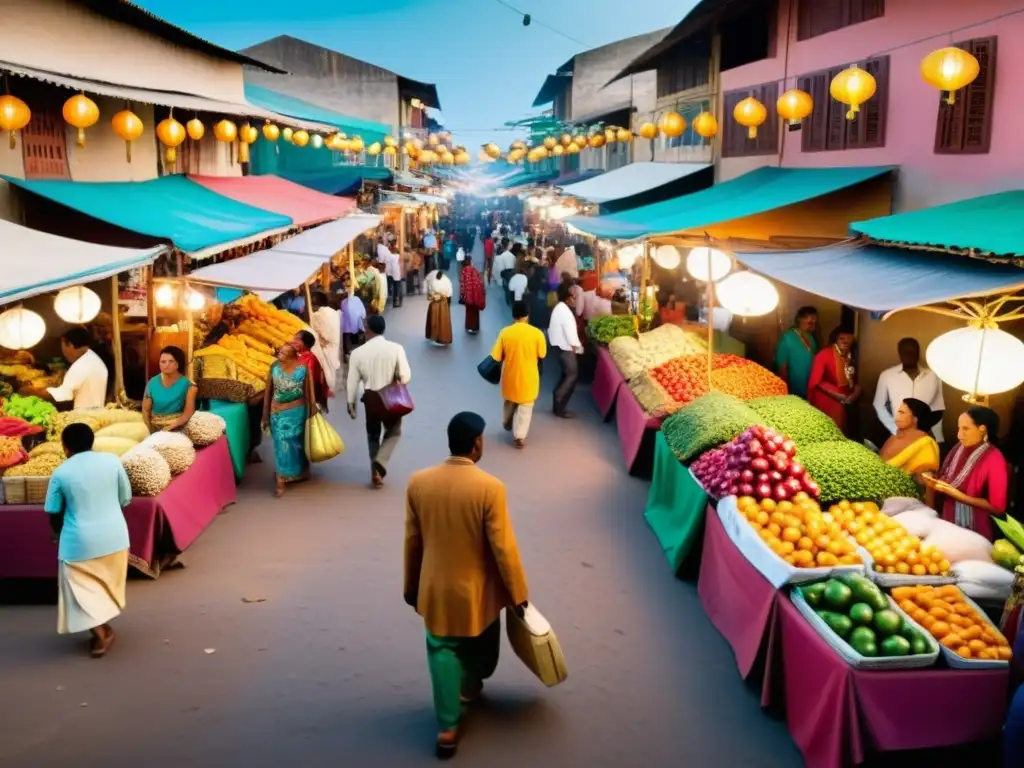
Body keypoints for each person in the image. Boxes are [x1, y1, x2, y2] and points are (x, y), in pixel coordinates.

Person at [404, 411, 530, 758]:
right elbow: (503, 548)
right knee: (483, 644)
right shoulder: (490, 488)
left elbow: (413, 541)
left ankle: (447, 728)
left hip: (436, 587)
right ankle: (472, 685)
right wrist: (518, 595)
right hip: (480, 592)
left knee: (442, 648)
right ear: (477, 443)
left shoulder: (419, 483)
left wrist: (411, 586)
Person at [45, 423, 132, 658]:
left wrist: (57, 533)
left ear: (65, 447)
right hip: (116, 537)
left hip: (79, 543)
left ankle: (102, 635)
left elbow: (53, 512)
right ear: (92, 441)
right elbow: (125, 498)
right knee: (105, 585)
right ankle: (104, 628)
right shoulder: (113, 461)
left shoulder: (61, 473)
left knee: (78, 591)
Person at [923, 406, 1008, 541]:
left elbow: (997, 508)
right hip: (946, 523)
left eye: (965, 429)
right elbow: (941, 482)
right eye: (959, 428)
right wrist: (930, 484)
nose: (959, 435)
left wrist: (958, 495)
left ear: (982, 430)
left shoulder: (995, 458)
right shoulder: (958, 448)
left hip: (975, 533)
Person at [347, 315, 412, 488]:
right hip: (391, 399)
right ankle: (381, 462)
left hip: (371, 399)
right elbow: (405, 376)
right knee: (394, 431)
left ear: (368, 330)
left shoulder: (357, 353)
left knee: (373, 435)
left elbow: (352, 381)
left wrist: (350, 403)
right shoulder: (396, 348)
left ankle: (375, 471)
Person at [491, 301, 547, 449]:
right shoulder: (537, 333)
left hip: (510, 375)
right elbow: (542, 353)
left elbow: (496, 356)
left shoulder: (505, 332)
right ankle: (519, 436)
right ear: (527, 315)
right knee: (526, 407)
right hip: (529, 377)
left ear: (513, 315)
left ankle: (507, 420)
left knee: (509, 401)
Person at [261, 343, 314, 497]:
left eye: (283, 353)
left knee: (298, 444)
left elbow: (308, 393)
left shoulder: (303, 369)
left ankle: (300, 472)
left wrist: (311, 412)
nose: (279, 355)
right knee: (281, 445)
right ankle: (281, 479)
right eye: (280, 352)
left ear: (291, 356)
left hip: (298, 412)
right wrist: (265, 414)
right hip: (277, 413)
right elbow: (268, 392)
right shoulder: (274, 368)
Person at [874, 337, 945, 443]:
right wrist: (895, 429)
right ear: (899, 353)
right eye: (905, 351)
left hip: (923, 434)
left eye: (913, 351)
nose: (909, 354)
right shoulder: (887, 375)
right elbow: (879, 405)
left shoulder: (933, 376)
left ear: (918, 352)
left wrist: (936, 437)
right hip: (896, 434)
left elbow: (937, 408)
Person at [808, 326, 861, 434]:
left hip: (846, 396)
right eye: (842, 338)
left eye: (849, 338)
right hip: (826, 396)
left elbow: (851, 380)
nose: (846, 341)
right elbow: (816, 381)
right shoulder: (824, 354)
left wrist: (856, 391)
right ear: (835, 340)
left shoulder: (851, 355)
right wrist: (835, 394)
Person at [47, 327, 109, 410]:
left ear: (70, 344)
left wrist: (31, 392)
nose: (64, 352)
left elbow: (63, 395)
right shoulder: (92, 357)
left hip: (85, 415)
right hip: (95, 410)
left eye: (63, 346)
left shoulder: (82, 365)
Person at [879, 398, 941, 478]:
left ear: (915, 419)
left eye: (902, 413)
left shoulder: (926, 443)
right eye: (898, 412)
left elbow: (926, 480)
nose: (897, 416)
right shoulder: (895, 436)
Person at [142, 346, 197, 432]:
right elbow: (145, 410)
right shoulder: (152, 382)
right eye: (163, 362)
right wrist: (149, 430)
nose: (166, 365)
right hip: (154, 429)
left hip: (177, 428)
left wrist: (171, 427)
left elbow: (188, 412)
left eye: (171, 361)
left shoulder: (188, 385)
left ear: (178, 364)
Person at [548, 283, 583, 418]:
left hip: (559, 346)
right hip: (565, 348)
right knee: (572, 375)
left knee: (566, 375)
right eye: (573, 298)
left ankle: (558, 401)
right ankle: (559, 401)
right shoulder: (565, 312)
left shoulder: (560, 308)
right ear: (567, 298)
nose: (575, 300)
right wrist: (578, 348)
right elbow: (571, 335)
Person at [775, 307, 819, 398]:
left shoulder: (811, 338)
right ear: (799, 319)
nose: (812, 323)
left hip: (810, 388)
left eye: (814, 320)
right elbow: (782, 365)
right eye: (809, 319)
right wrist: (786, 390)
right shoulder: (788, 336)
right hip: (793, 390)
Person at [309, 291, 341, 394]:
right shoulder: (333, 312)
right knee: (331, 365)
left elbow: (318, 332)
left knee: (326, 368)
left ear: (314, 305)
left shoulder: (317, 315)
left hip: (325, 346)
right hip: (334, 344)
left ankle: (326, 387)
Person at [292, 329, 331, 412]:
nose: (293, 341)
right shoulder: (300, 356)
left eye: (297, 339)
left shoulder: (310, 359)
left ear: (304, 343)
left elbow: (310, 381)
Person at [424, 269, 454, 347]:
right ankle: (443, 338)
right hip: (443, 302)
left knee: (434, 320)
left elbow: (430, 292)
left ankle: (434, 336)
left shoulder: (433, 279)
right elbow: (449, 293)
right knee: (443, 321)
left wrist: (432, 296)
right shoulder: (447, 280)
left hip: (435, 302)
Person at [459, 259, 486, 335]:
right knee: (475, 311)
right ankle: (476, 327)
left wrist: (462, 295)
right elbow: (480, 281)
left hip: (468, 296)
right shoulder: (474, 270)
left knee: (469, 312)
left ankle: (470, 327)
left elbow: (463, 285)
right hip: (476, 294)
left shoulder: (464, 271)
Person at [340, 285, 367, 362]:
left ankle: (347, 353)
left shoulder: (343, 302)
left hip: (347, 327)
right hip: (356, 325)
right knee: (358, 330)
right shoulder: (357, 299)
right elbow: (363, 313)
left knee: (346, 336)